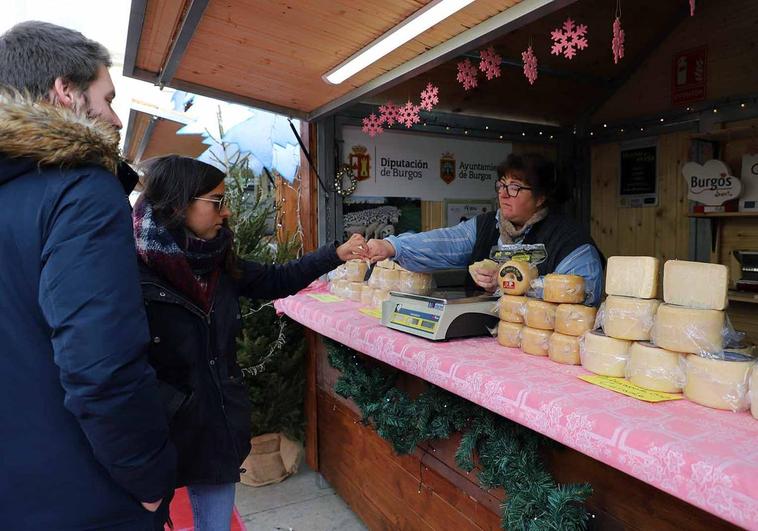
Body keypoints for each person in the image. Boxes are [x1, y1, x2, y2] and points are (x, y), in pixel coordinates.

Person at [0, 21, 175, 530]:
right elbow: (102, 365)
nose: (116, 118)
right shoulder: (80, 189)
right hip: (86, 493)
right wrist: (148, 479)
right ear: (66, 92)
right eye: (107, 97)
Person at [133, 155, 368, 529]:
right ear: (179, 204)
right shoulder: (130, 272)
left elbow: (276, 279)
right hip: (159, 433)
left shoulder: (218, 260)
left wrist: (332, 255)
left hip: (215, 425)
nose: (225, 213)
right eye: (216, 201)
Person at [367, 153, 603, 305]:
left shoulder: (571, 240)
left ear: (540, 197)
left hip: (542, 349)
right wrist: (392, 246)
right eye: (501, 185)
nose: (503, 193)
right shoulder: (487, 225)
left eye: (514, 187)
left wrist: (510, 282)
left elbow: (581, 292)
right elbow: (446, 241)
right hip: (489, 340)